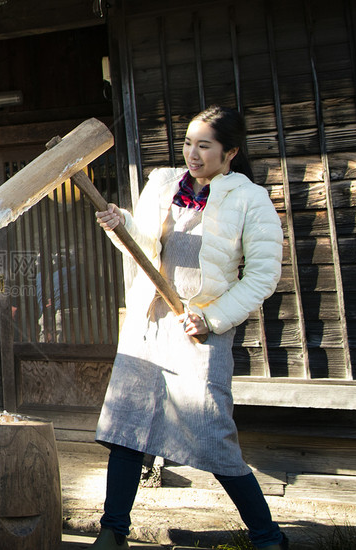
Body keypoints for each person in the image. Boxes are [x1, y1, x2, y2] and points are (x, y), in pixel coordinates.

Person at [92, 106, 287, 549]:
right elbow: (144, 245)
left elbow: (262, 276)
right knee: (126, 426)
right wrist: (121, 226)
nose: (193, 154)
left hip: (200, 329)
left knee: (212, 432)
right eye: (188, 143)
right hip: (149, 322)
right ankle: (113, 531)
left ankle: (267, 535)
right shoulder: (163, 183)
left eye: (205, 146)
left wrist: (211, 318)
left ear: (230, 151)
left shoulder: (249, 199)